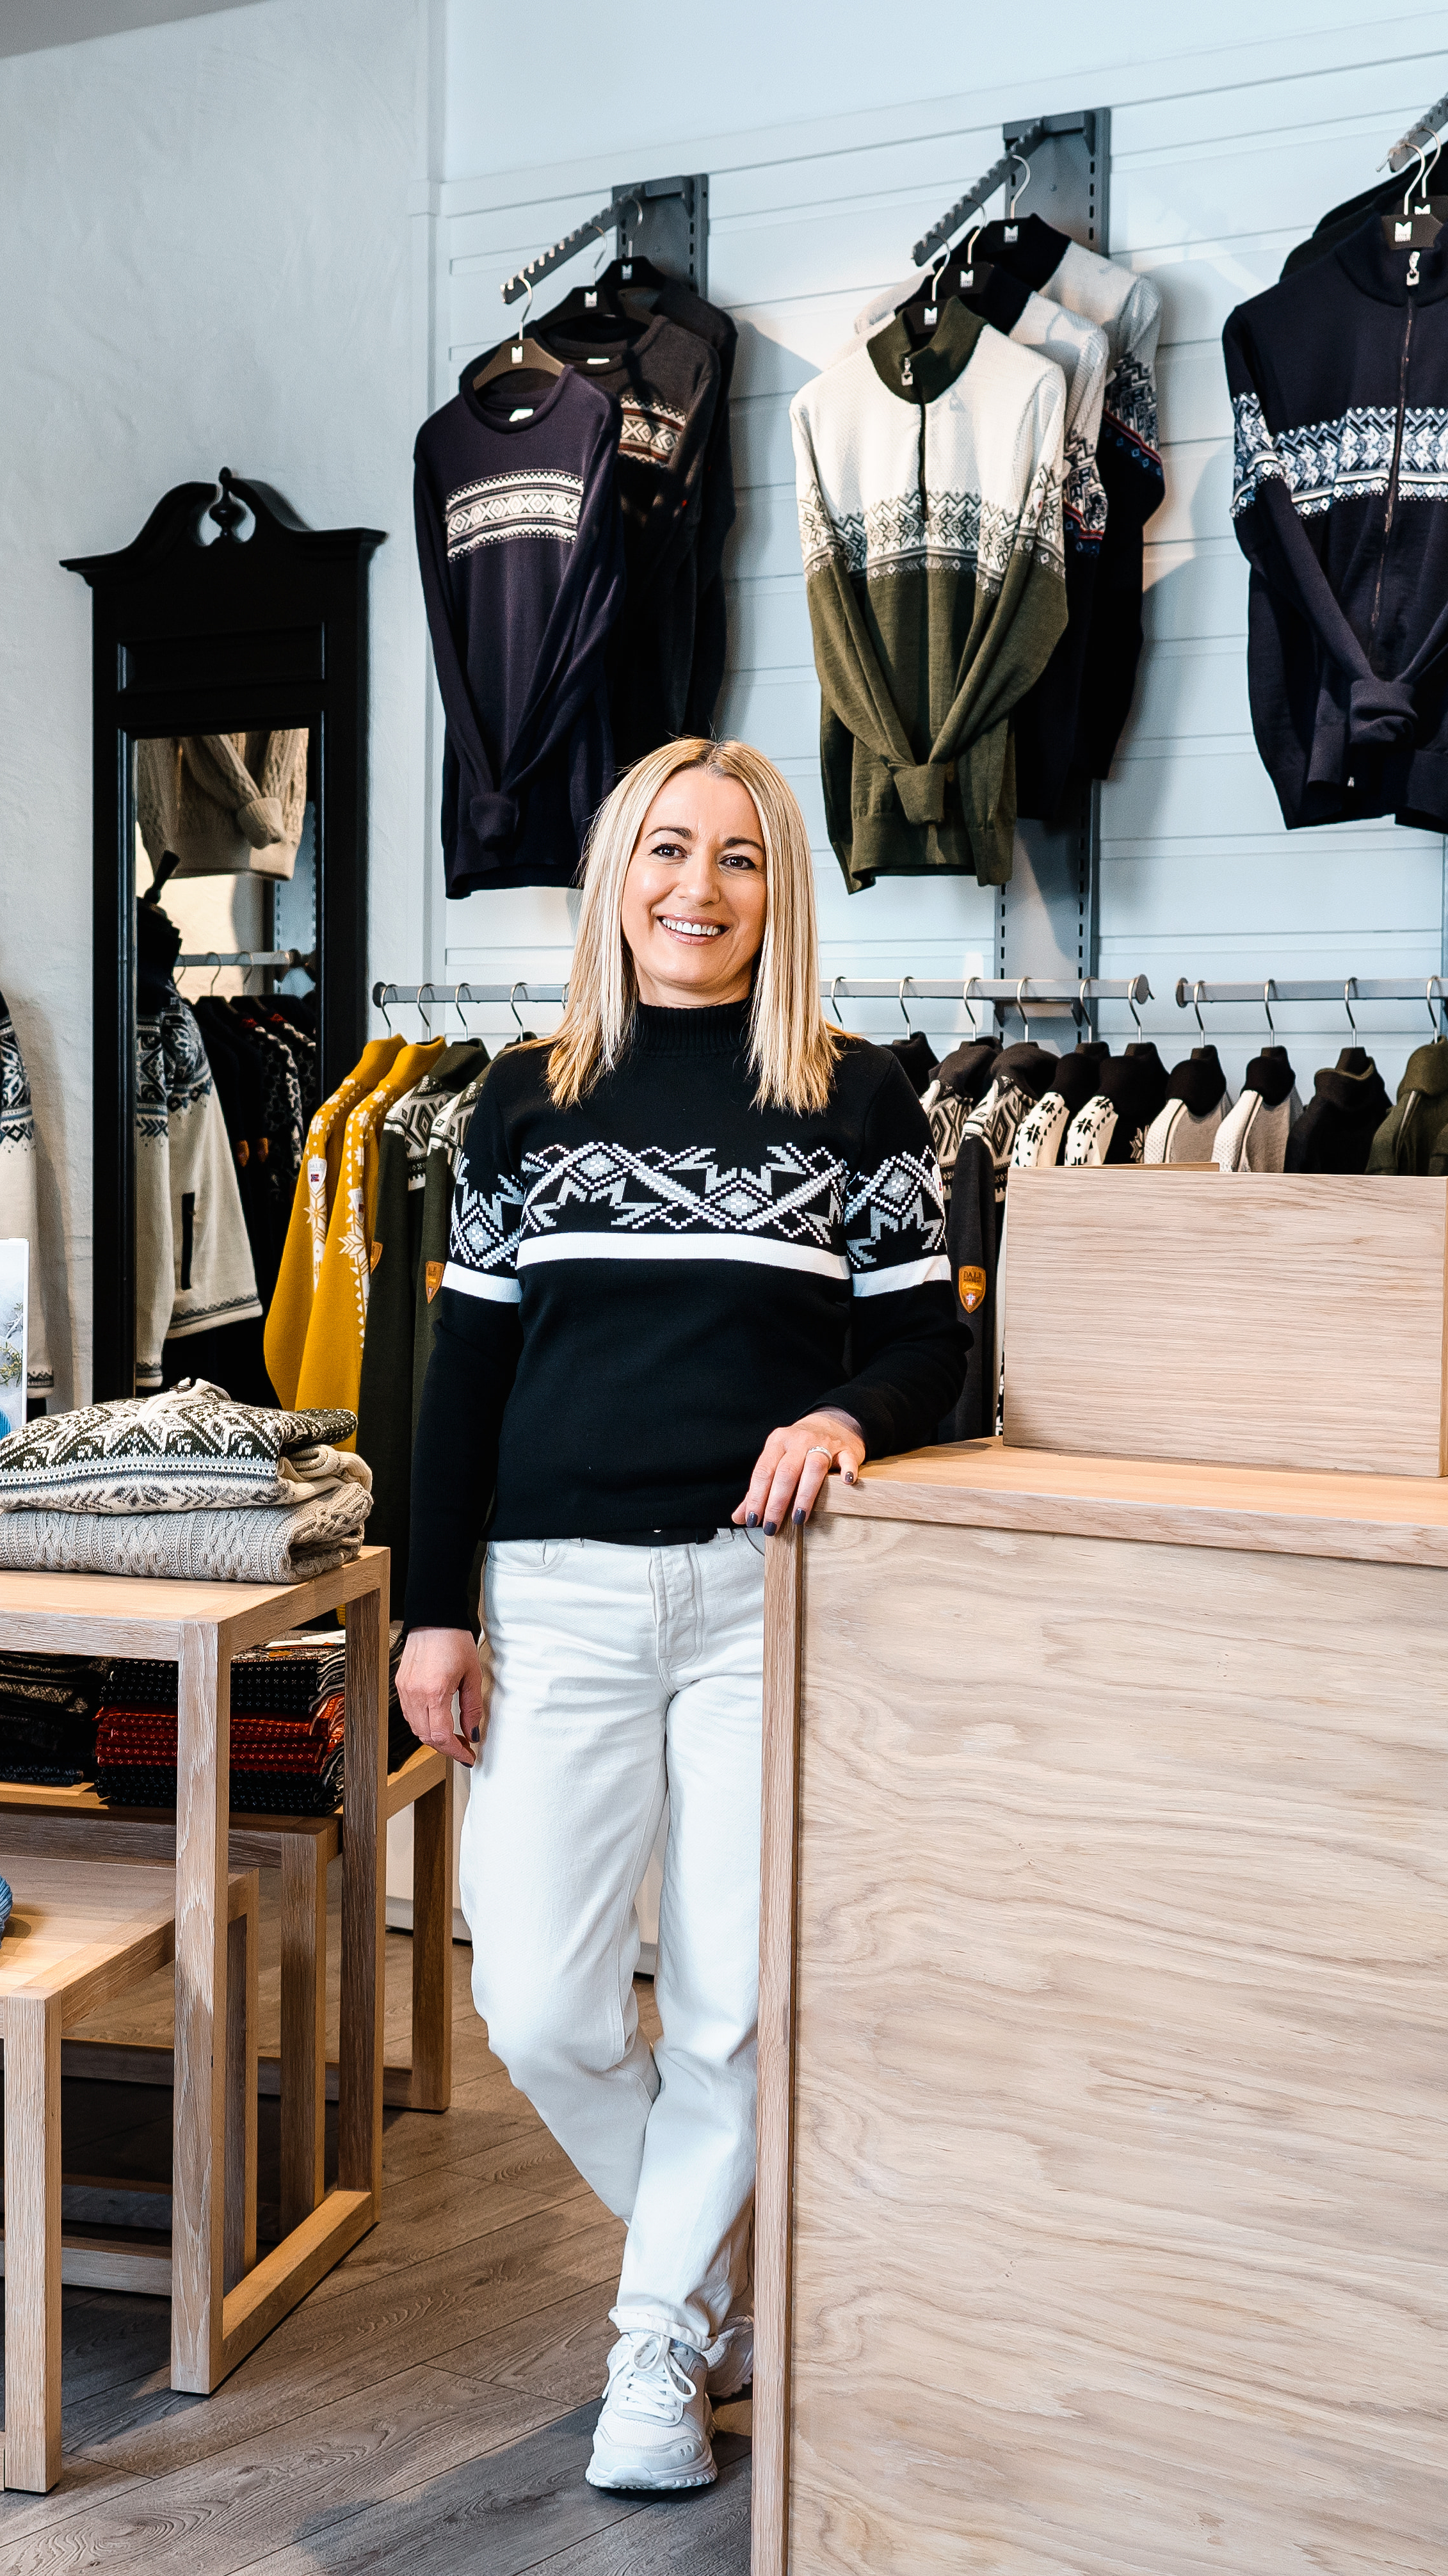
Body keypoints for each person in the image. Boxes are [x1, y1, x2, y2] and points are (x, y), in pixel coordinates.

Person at [399, 736, 967, 2493]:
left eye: (736, 859)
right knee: (544, 2007)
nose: (696, 890)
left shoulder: (857, 1099)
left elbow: (933, 1338)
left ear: (778, 892)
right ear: (615, 877)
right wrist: (433, 1611)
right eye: (665, 851)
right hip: (556, 1600)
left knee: (723, 2007)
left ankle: (655, 2356)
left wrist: (845, 1412)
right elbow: (459, 1379)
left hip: (758, 1603)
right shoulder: (520, 1102)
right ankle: (728, 2282)